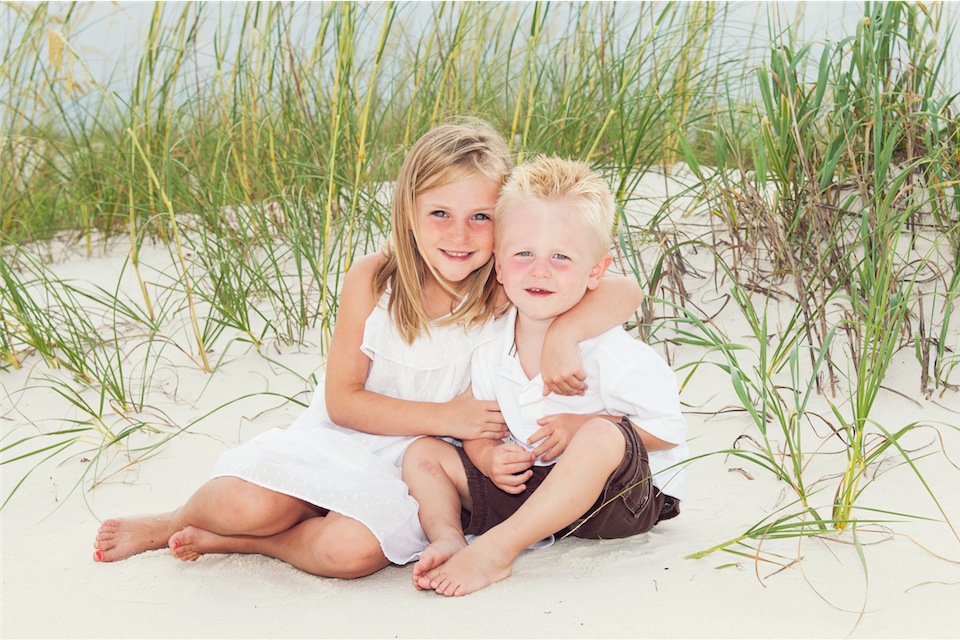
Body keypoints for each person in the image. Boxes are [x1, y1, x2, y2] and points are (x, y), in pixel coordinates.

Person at [92, 122, 644, 579]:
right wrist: (448, 415)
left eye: (480, 217)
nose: (460, 234)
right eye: (439, 214)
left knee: (349, 553)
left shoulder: (505, 284)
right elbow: (343, 402)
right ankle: (173, 519)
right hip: (345, 438)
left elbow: (624, 290)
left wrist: (565, 337)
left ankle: (254, 546)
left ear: (503, 225)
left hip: (425, 469)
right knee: (249, 504)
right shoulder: (373, 280)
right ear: (408, 211)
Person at [402, 156, 688, 596]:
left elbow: (667, 431)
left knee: (599, 435)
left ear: (596, 270)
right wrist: (485, 457)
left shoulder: (612, 352)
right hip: (534, 488)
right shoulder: (493, 341)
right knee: (423, 451)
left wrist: (581, 428)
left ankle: (498, 549)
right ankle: (448, 537)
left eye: (560, 257)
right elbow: (481, 424)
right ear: (498, 264)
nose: (540, 270)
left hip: (617, 501)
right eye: (523, 254)